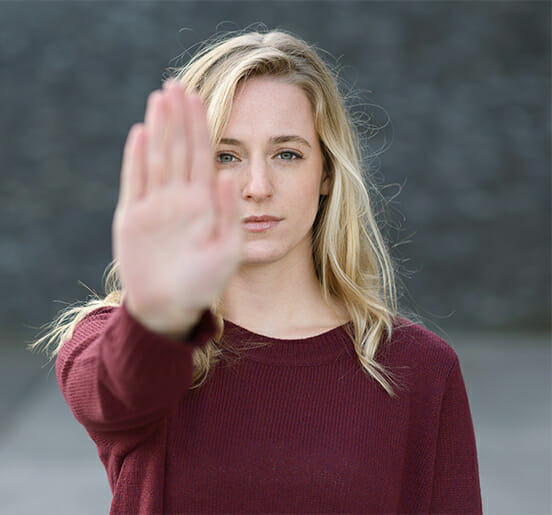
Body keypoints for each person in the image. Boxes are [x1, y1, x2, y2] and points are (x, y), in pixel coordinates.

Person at [38, 29, 482, 513]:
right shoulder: (118, 341)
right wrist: (162, 307)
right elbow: (118, 388)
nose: (257, 186)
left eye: (286, 154)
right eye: (226, 156)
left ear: (327, 172)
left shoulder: (422, 368)